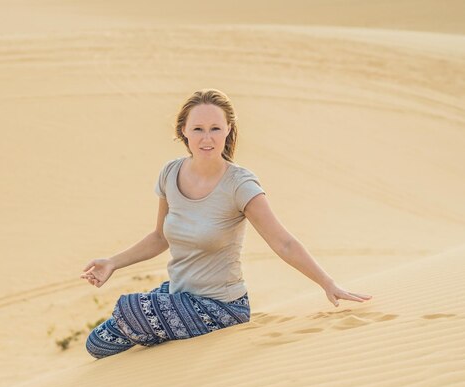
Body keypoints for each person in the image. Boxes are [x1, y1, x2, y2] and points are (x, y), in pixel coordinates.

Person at [82, 88, 372, 359]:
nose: (206, 138)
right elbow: (160, 237)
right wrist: (112, 262)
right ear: (183, 130)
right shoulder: (170, 173)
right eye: (198, 129)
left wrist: (327, 283)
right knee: (98, 343)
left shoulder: (240, 184)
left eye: (215, 129)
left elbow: (283, 242)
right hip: (178, 294)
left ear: (228, 130)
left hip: (221, 307)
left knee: (129, 310)